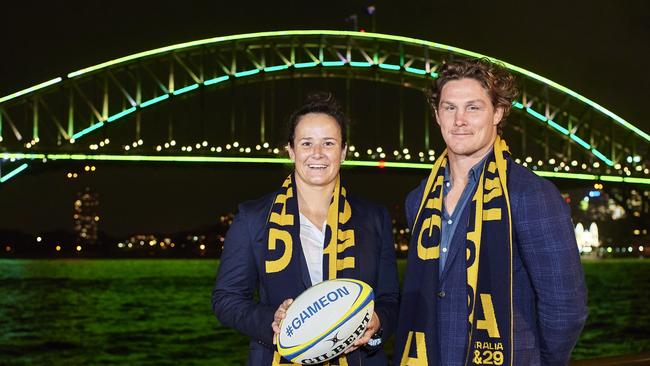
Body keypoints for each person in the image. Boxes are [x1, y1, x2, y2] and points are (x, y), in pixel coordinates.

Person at [393, 58, 588, 366]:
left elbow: (566, 307)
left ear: (498, 113)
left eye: (473, 108)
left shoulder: (531, 194)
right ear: (437, 114)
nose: (460, 120)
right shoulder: (418, 200)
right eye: (449, 108)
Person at [212, 93, 400, 366]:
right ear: (291, 150)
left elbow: (390, 298)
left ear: (344, 151)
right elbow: (226, 299)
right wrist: (273, 322)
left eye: (329, 143)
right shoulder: (253, 217)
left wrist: (378, 322)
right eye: (307, 143)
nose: (318, 154)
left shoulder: (374, 217)